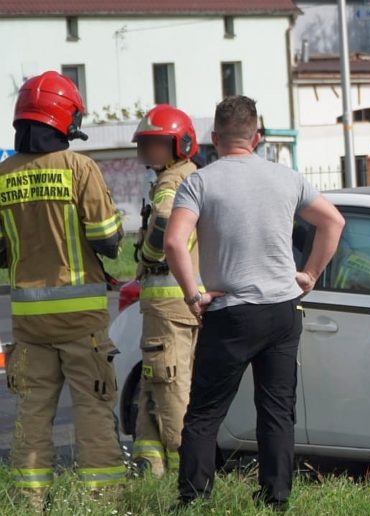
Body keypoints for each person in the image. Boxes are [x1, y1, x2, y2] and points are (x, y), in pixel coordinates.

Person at [164, 95, 344, 510]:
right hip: (283, 311)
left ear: (214, 138)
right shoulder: (288, 178)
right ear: (257, 136)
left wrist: (194, 294)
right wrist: (310, 274)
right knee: (277, 410)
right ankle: (275, 498)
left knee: (205, 413)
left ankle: (194, 499)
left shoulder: (200, 181)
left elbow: (173, 241)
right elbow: (333, 221)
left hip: (231, 313)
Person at [1, 71, 126, 508]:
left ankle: (28, 500)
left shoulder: (2, 175)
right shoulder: (79, 167)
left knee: (32, 414)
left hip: (28, 322)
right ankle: (102, 499)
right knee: (92, 406)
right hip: (82, 319)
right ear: (63, 118)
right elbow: (108, 239)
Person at [130, 104, 203, 477]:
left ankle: (183, 479)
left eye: (155, 143)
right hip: (170, 310)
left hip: (168, 309)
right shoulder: (185, 175)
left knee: (171, 392)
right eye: (145, 143)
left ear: (181, 144)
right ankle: (151, 476)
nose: (147, 151)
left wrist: (148, 253)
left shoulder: (172, 182)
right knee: (153, 391)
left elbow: (162, 222)